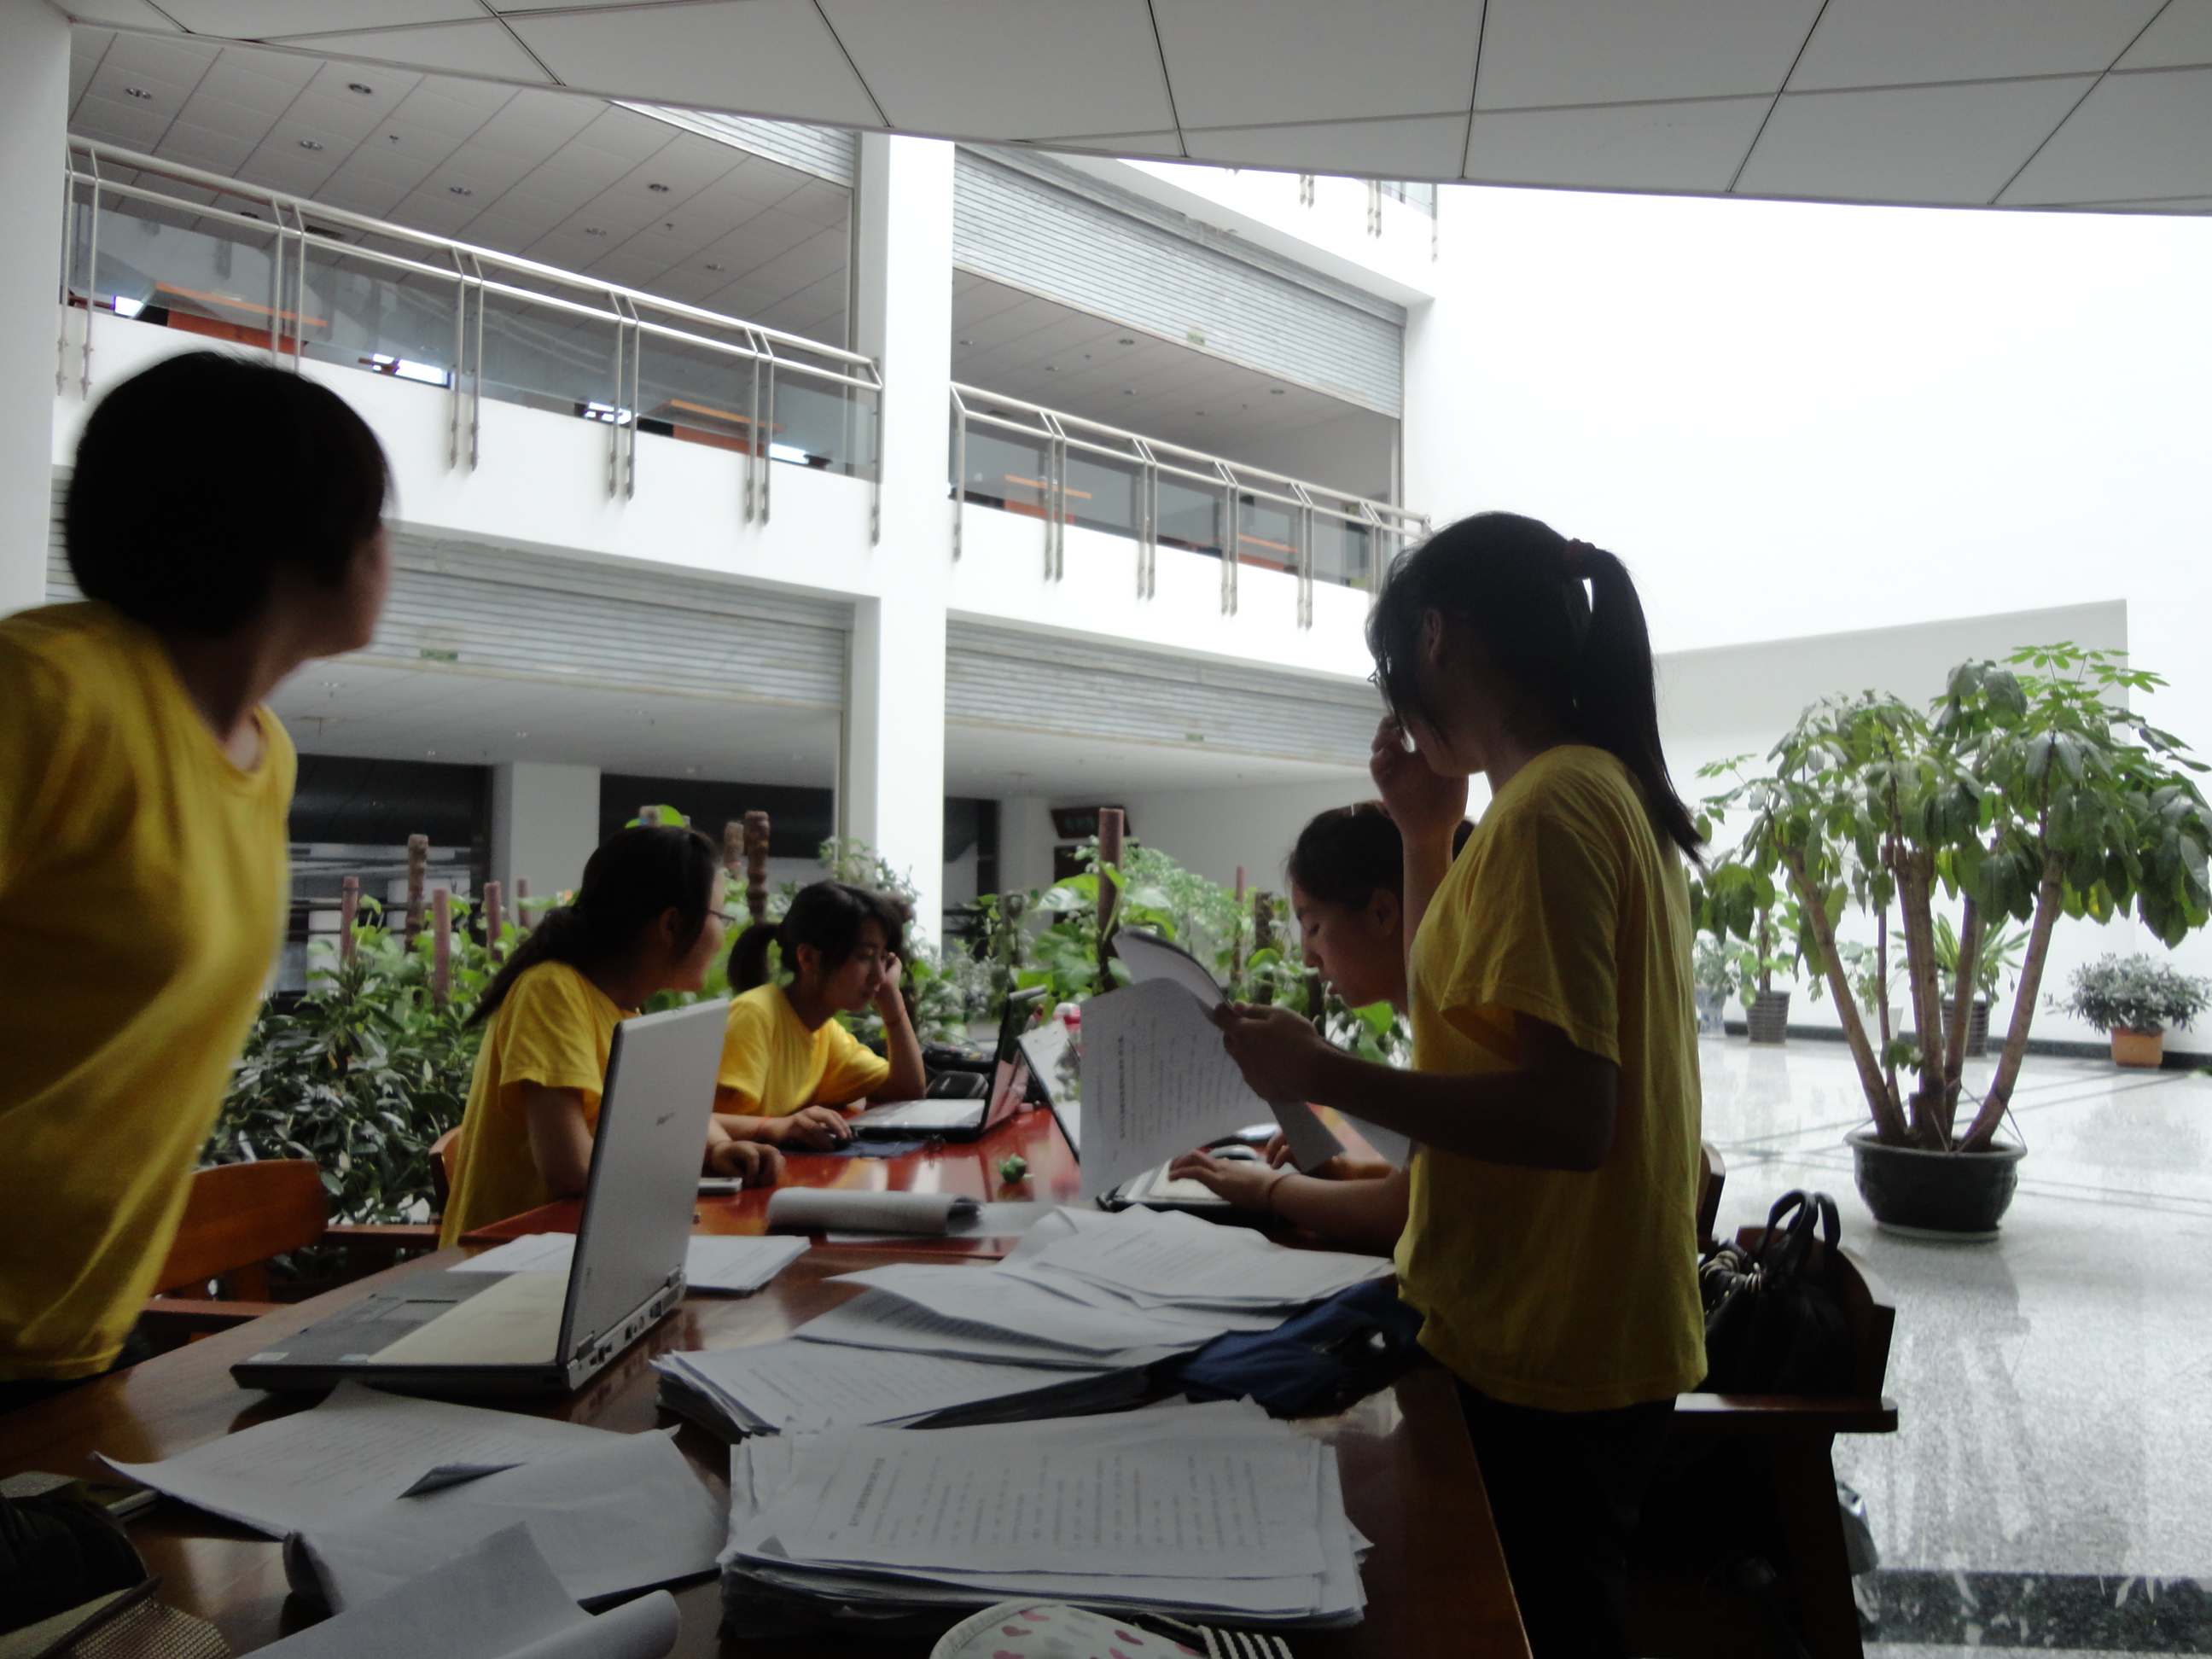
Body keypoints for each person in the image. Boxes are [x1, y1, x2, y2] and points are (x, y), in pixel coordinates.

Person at [1208, 512, 1705, 1658]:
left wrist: (1320, 1070)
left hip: (1551, 1335)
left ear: (1436, 637)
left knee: (1536, 1628)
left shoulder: (1554, 809)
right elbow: (1458, 1027)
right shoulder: (1577, 792)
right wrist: (1423, 835)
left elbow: (1570, 1117)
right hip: (1547, 1320)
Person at [0, 352, 392, 1413]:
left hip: (78, 1331)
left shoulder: (264, 753)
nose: (386, 548)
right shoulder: (45, 693)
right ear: (303, 530)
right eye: (374, 516)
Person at [437, 824, 783, 1245]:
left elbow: (666, 1114)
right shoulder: (551, 990)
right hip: (505, 1262)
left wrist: (717, 1150)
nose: (724, 935)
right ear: (672, 924)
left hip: (585, 1245)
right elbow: (572, 1170)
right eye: (721, 918)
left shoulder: (622, 1008)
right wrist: (689, 1165)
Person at [1167, 803, 1471, 1249]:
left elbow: (1403, 1215)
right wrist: (1343, 1173)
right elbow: (1434, 1179)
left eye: (1313, 927)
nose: (1308, 958)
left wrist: (1266, 1189)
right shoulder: (1443, 1019)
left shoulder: (1461, 1029)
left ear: (1382, 914)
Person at [714, 882, 928, 1149]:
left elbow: (907, 1091)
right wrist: (778, 1126)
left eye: (883, 958)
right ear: (809, 959)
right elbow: (700, 1126)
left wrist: (891, 1000)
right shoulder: (754, 1014)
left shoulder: (826, 1033)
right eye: (865, 956)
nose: (879, 976)